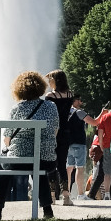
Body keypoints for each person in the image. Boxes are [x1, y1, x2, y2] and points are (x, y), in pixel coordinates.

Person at [0, 71, 60, 221]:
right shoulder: (51, 106)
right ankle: (47, 211)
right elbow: (54, 132)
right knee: (38, 167)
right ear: (41, 87)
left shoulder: (16, 109)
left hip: (19, 160)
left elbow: (7, 139)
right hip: (46, 159)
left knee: (3, 166)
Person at [44, 70, 76, 207]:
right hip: (66, 131)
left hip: (53, 131)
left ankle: (52, 195)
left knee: (51, 162)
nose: (48, 82)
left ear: (55, 80)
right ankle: (66, 196)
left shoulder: (50, 96)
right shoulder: (70, 94)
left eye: (50, 79)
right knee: (62, 163)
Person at [64, 96, 89, 199]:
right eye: (79, 100)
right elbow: (94, 122)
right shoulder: (79, 112)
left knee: (68, 169)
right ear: (74, 101)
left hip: (67, 143)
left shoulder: (65, 112)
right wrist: (102, 114)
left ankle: (67, 194)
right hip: (79, 143)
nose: (81, 102)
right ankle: (81, 194)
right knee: (80, 168)